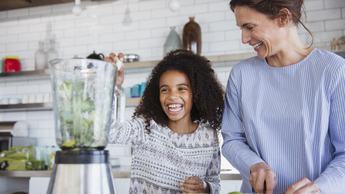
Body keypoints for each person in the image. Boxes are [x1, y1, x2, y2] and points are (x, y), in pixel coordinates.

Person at [221, 0, 345, 194]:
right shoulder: (241, 75)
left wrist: (321, 188)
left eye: (250, 27)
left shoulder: (333, 71)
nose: (244, 38)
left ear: (283, 17)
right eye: (241, 29)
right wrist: (254, 165)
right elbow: (232, 139)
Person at [106, 49, 224, 194]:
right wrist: (111, 86)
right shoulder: (145, 128)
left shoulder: (209, 135)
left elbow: (215, 183)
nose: (172, 96)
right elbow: (107, 132)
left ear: (197, 93)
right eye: (165, 90)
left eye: (181, 89)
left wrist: (206, 188)